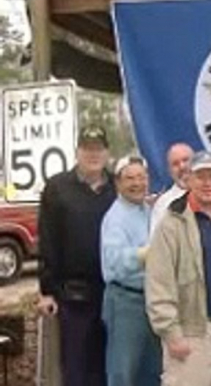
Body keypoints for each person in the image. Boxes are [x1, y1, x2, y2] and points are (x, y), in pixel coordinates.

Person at [146, 151, 211, 386]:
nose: (207, 183)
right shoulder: (171, 223)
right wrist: (171, 333)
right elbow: (158, 282)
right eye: (201, 176)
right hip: (191, 333)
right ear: (189, 179)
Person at [37, 125, 117, 386]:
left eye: (98, 149)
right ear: (77, 152)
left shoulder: (118, 187)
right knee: (76, 370)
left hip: (112, 295)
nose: (93, 155)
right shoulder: (57, 188)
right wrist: (46, 290)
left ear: (107, 153)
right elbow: (47, 239)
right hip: (73, 296)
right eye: (87, 149)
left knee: (107, 369)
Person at [101, 155, 162, 386]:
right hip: (126, 302)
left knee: (152, 372)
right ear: (118, 183)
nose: (137, 183)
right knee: (122, 373)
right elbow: (114, 262)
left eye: (141, 177)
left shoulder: (149, 210)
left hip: (153, 301)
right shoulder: (115, 218)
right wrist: (144, 254)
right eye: (130, 178)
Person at [150, 143, 194, 234]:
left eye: (185, 160)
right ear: (170, 171)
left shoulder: (210, 192)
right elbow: (156, 242)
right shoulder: (163, 205)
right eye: (175, 164)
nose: (182, 167)